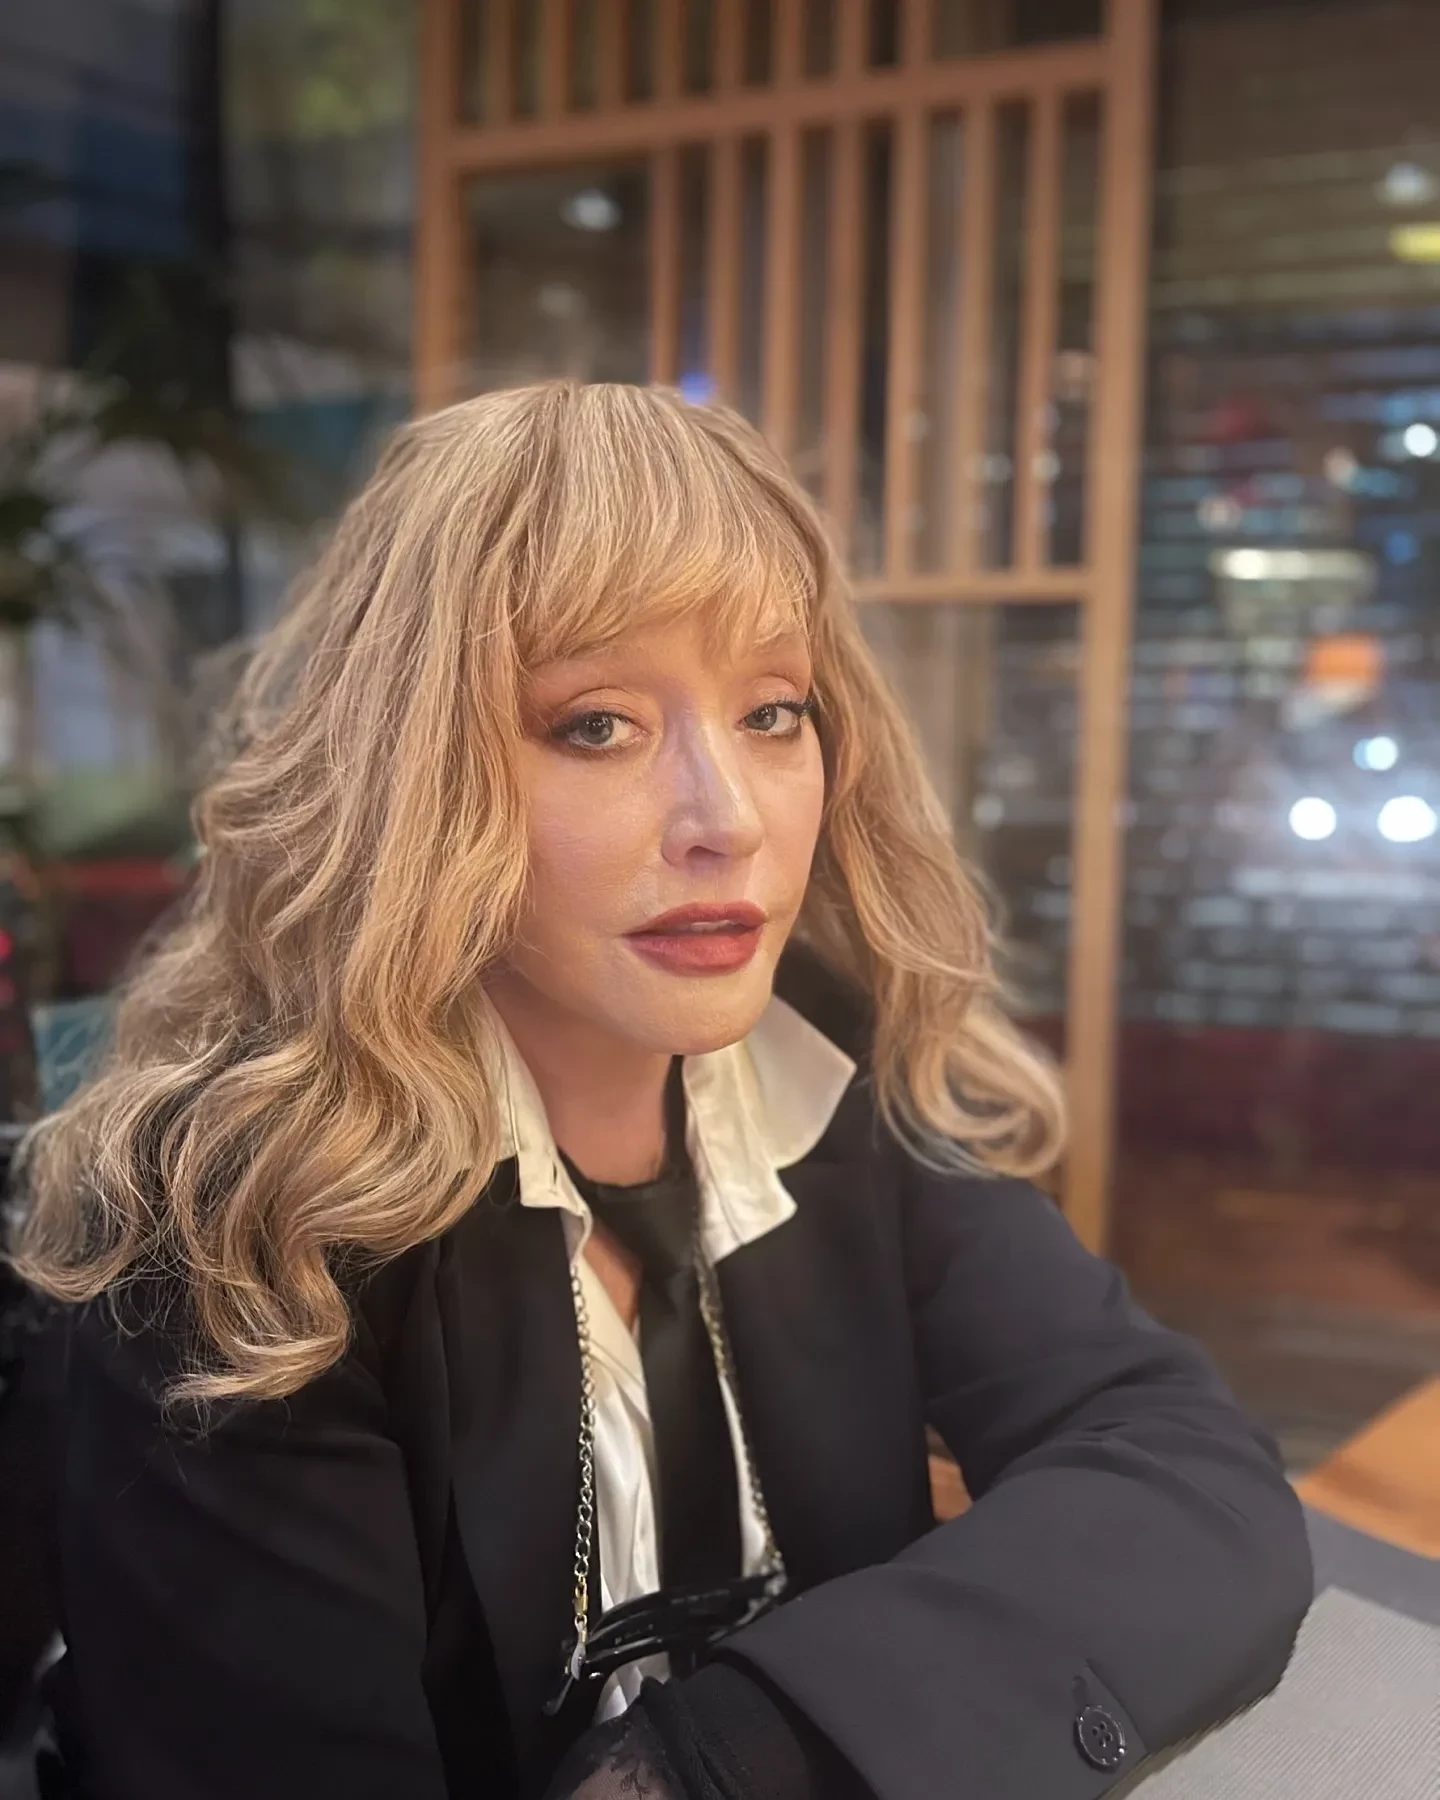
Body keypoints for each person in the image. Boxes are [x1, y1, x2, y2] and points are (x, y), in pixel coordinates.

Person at [10, 382, 1312, 1800]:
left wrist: (721, 1763)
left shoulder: (822, 1073)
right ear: (409, 774)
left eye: (772, 711)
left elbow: (1188, 1475)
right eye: (597, 726)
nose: (727, 818)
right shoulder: (232, 1224)